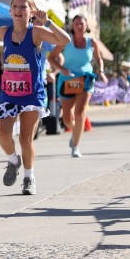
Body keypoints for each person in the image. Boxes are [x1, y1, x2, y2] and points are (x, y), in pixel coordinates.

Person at [0, 0, 70, 195]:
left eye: (23, 7)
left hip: (32, 95)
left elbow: (64, 39)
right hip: (9, 94)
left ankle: (28, 177)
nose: (18, 10)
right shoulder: (4, 32)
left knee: (26, 139)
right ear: (10, 11)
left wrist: (48, 22)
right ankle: (13, 160)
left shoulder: (37, 33)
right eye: (15, 6)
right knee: (3, 133)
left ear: (31, 12)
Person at [47, 15, 106, 159]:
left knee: (80, 113)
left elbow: (98, 58)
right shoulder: (66, 41)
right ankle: (76, 131)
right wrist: (62, 69)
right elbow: (51, 57)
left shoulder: (92, 42)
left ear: (86, 26)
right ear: (73, 26)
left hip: (85, 79)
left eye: (82, 24)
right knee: (67, 119)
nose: (79, 26)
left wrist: (101, 71)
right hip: (67, 80)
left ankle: (76, 146)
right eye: (77, 24)